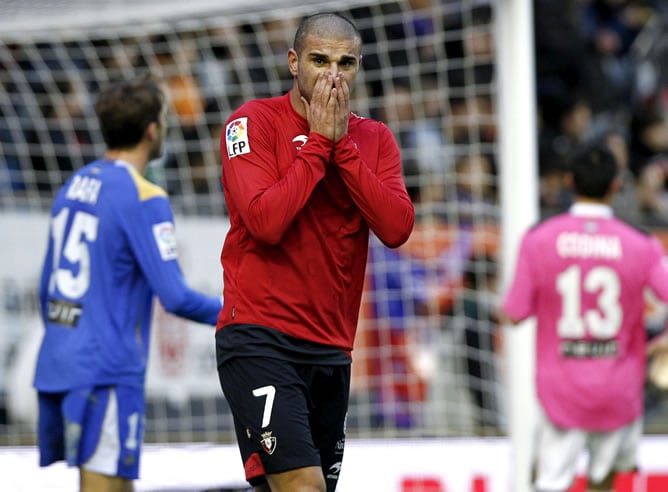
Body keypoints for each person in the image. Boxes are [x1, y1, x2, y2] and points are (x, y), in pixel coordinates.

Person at [215, 12, 414, 492]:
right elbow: (264, 222)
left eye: (345, 63)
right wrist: (319, 145)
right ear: (292, 62)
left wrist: (340, 146)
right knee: (304, 488)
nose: (332, 74)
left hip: (331, 348)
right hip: (260, 338)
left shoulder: (375, 139)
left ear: (359, 67)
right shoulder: (251, 123)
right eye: (319, 60)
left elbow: (396, 228)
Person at [33, 74, 222, 492]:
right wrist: (247, 315)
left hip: (60, 361)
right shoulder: (144, 195)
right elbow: (176, 297)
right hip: (107, 368)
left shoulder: (74, 185)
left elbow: (46, 285)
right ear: (153, 130)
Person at [500, 139, 668, 492]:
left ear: (569, 182)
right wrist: (660, 343)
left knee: (549, 482)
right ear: (616, 185)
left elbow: (514, 315)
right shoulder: (641, 244)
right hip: (618, 389)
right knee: (604, 481)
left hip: (561, 390)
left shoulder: (539, 239)